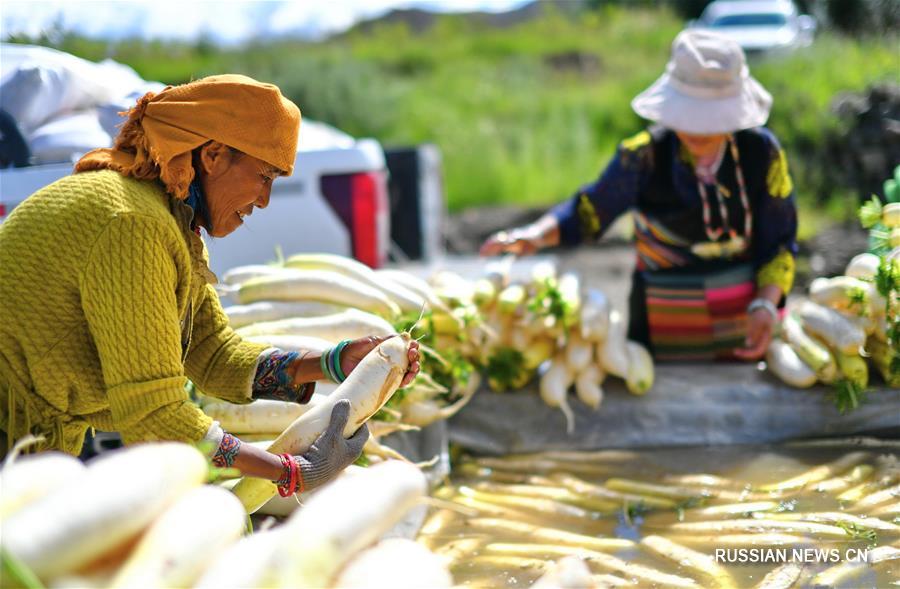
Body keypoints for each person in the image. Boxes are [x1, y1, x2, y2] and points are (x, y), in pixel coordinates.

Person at [0, 75, 419, 495]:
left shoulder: (168, 219)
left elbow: (213, 353)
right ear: (215, 155)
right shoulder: (132, 223)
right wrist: (288, 471)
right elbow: (155, 415)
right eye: (265, 176)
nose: (265, 200)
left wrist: (333, 362)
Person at [481, 30, 797, 362]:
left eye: (709, 119)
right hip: (664, 326)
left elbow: (779, 241)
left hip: (746, 319)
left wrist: (765, 303)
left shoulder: (762, 154)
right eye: (688, 116)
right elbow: (588, 212)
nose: (697, 130)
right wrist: (533, 235)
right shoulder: (642, 157)